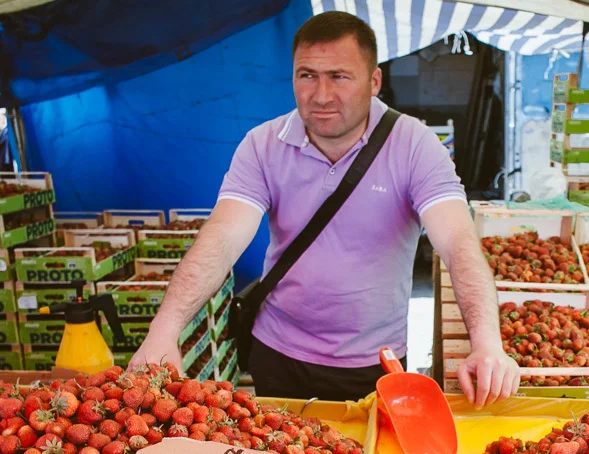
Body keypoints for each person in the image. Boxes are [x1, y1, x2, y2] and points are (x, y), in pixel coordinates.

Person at [130, 11, 519, 407]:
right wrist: (164, 330)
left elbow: (457, 241)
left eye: (339, 76)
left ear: (374, 82)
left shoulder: (415, 145)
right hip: (277, 352)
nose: (320, 95)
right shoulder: (262, 144)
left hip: (373, 363)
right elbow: (224, 235)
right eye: (307, 75)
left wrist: (487, 343)